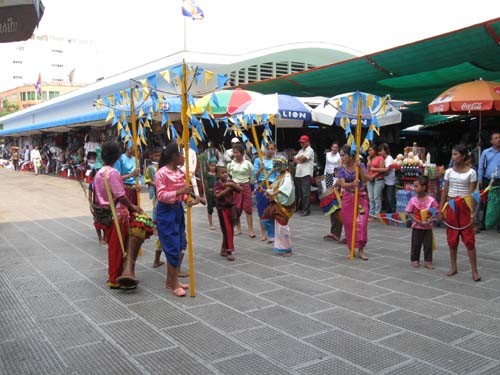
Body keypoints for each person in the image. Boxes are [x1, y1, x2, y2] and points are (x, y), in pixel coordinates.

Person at [93, 142, 142, 289]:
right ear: (116, 157)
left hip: (104, 214)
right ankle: (114, 278)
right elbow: (120, 195)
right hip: (116, 215)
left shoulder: (99, 172)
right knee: (117, 248)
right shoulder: (112, 173)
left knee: (114, 246)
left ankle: (119, 273)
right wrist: (132, 206)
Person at [155, 143, 200, 297]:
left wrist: (187, 198)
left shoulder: (181, 173)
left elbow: (184, 193)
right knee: (172, 246)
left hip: (177, 210)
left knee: (180, 243)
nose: (183, 157)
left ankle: (171, 280)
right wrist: (180, 191)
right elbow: (161, 195)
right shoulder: (161, 173)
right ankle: (173, 283)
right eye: (181, 154)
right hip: (165, 212)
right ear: (174, 156)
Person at [438, 144, 481, 282]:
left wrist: (473, 212)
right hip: (450, 206)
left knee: (469, 239)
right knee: (452, 238)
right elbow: (444, 191)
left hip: (464, 206)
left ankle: (474, 270)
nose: (453, 156)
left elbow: (472, 194)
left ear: (463, 156)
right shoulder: (448, 171)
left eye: (456, 154)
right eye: (452, 154)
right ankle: (453, 266)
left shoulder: (472, 172)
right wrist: (440, 209)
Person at [338, 145, 370, 260]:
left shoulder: (360, 165)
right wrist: (352, 184)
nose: (341, 157)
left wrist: (359, 169)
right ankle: (351, 249)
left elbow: (366, 179)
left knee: (362, 222)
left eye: (343, 155)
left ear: (350, 155)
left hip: (361, 197)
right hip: (348, 197)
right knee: (348, 223)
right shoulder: (341, 168)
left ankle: (361, 249)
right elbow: (342, 184)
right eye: (340, 155)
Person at [261, 156, 296, 256]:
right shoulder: (280, 176)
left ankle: (287, 249)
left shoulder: (287, 176)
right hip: (277, 203)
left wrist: (273, 193)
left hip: (284, 205)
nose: (275, 166)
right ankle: (272, 237)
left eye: (277, 164)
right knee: (265, 218)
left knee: (282, 227)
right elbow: (274, 187)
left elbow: (285, 188)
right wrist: (266, 191)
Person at [405, 176, 439, 269]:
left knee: (428, 245)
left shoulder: (431, 200)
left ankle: (428, 261)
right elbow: (409, 212)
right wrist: (416, 220)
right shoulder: (413, 200)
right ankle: (414, 259)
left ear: (424, 187)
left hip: (428, 227)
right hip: (416, 226)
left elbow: (435, 211)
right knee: (416, 244)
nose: (414, 188)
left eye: (416, 186)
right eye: (414, 186)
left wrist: (430, 219)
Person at [214, 165, 242, 261]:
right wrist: (229, 189)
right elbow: (218, 195)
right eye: (222, 173)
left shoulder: (230, 182)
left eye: (226, 172)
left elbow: (240, 189)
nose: (225, 174)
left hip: (231, 208)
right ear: (217, 174)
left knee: (229, 229)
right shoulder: (217, 184)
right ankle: (229, 251)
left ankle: (223, 249)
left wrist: (233, 186)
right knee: (227, 230)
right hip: (222, 209)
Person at [228, 143, 255, 237]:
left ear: (242, 153)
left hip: (245, 186)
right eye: (234, 153)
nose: (235, 155)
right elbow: (229, 174)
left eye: (237, 153)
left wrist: (249, 185)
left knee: (248, 208)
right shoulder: (231, 163)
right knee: (236, 208)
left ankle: (250, 230)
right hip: (235, 187)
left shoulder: (248, 163)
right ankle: (238, 228)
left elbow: (252, 175)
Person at [144, 148, 164, 268]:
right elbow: (146, 179)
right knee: (156, 208)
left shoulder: (164, 167)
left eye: (159, 155)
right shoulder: (151, 168)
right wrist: (153, 183)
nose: (157, 157)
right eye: (155, 155)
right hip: (157, 194)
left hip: (164, 195)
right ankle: (155, 224)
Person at [254, 143, 278, 241]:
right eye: (269, 149)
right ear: (266, 149)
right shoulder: (258, 160)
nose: (270, 151)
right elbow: (254, 175)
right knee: (262, 210)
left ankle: (273, 232)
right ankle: (263, 233)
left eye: (272, 149)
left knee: (273, 210)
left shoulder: (276, 161)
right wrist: (261, 169)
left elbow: (277, 175)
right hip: (261, 184)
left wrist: (273, 186)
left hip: (272, 185)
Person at [477, 131, 500, 232]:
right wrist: (480, 179)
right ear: (491, 141)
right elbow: (481, 166)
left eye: (499, 138)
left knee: (498, 202)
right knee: (486, 201)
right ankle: (484, 223)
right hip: (488, 180)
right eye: (496, 138)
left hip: (499, 180)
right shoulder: (486, 152)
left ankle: (498, 224)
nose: (498, 140)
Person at [293, 135, 314, 216]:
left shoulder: (310, 150)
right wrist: (299, 159)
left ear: (307, 142)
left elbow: (303, 159)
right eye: (301, 142)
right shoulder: (301, 150)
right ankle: (303, 208)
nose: (301, 144)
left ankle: (307, 210)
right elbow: (294, 159)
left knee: (305, 193)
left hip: (306, 173)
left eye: (303, 142)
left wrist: (299, 159)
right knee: (300, 193)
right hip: (299, 173)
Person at [88, 168, 107, 245]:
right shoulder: (91, 184)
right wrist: (91, 206)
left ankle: (105, 237)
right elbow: (90, 196)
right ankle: (100, 238)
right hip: (96, 206)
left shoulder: (105, 183)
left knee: (106, 221)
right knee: (97, 222)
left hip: (105, 205)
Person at [366, 144, 385, 219]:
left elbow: (381, 169)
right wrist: (368, 161)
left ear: (375, 151)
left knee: (377, 197)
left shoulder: (380, 158)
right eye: (369, 150)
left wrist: (373, 176)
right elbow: (368, 170)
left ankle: (377, 214)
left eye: (371, 150)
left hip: (378, 179)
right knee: (371, 197)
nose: (369, 152)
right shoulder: (369, 159)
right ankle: (371, 214)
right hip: (370, 180)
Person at [377, 143, 397, 213]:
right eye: (379, 151)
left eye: (381, 150)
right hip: (384, 181)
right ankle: (388, 214)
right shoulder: (381, 159)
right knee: (386, 199)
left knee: (390, 199)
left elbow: (386, 169)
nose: (379, 152)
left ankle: (394, 214)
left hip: (390, 182)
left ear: (385, 151)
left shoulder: (389, 158)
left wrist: (375, 169)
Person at [204, 158, 218, 230]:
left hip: (217, 193)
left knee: (219, 207)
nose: (213, 167)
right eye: (211, 166)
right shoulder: (207, 174)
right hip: (210, 193)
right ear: (209, 166)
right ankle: (211, 223)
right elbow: (206, 185)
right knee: (210, 208)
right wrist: (206, 194)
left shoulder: (217, 174)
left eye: (214, 166)